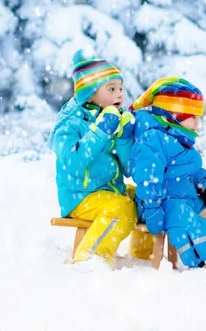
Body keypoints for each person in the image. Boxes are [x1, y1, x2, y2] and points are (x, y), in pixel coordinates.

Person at [129, 77, 206, 275]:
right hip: (160, 203)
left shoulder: (181, 138)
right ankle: (204, 262)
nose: (197, 123)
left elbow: (193, 171)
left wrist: (203, 187)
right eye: (192, 116)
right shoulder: (152, 139)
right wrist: (152, 208)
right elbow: (148, 178)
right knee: (185, 219)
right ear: (173, 115)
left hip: (186, 197)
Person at [48, 48, 142, 265]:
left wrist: (125, 138)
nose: (119, 94)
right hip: (81, 196)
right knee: (123, 208)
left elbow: (129, 170)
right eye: (111, 88)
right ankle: (90, 260)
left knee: (148, 197)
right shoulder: (69, 122)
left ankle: (142, 258)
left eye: (120, 88)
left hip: (110, 190)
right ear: (89, 93)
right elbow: (74, 164)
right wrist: (100, 131)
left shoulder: (111, 117)